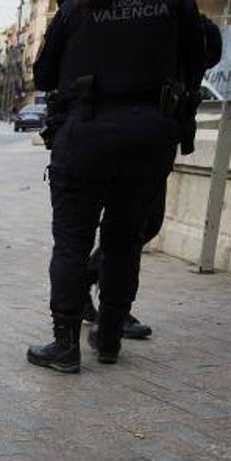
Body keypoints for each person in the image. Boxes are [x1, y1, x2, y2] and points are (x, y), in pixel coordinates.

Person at [27, 0, 206, 372]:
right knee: (125, 239)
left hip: (85, 135)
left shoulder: (77, 8)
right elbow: (197, 62)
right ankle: (108, 339)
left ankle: (65, 345)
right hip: (149, 137)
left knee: (72, 242)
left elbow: (43, 75)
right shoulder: (175, 6)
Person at [80, 14, 224, 342]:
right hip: (136, 137)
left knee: (139, 224)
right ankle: (109, 313)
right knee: (131, 226)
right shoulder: (161, 25)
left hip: (135, 136)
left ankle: (91, 291)